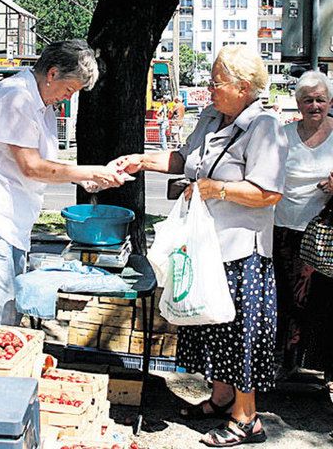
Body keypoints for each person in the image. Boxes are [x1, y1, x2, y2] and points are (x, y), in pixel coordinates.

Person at [115, 45, 287, 447]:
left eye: (216, 82)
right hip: (205, 246)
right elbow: (184, 160)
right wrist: (143, 160)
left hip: (242, 250)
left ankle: (247, 418)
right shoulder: (211, 117)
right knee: (213, 325)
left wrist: (218, 189)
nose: (209, 89)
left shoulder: (265, 128)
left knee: (241, 331)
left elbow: (268, 193)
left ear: (243, 87)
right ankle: (222, 397)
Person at [0, 40, 127, 341]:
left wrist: (85, 179)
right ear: (52, 73)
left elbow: (45, 164)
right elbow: (30, 165)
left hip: (11, 211)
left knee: (10, 297)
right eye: (70, 88)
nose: (69, 97)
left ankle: (3, 365)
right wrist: (87, 172)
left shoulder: (42, 104)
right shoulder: (16, 96)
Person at [272, 71, 333, 385]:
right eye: (307, 100)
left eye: (320, 99)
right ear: (297, 104)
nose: (314, 105)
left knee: (321, 301)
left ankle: (320, 366)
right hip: (285, 229)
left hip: (325, 236)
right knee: (287, 298)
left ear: (330, 102)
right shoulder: (282, 135)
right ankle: (287, 364)